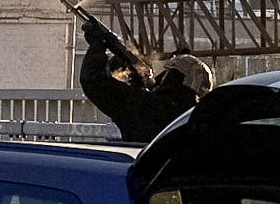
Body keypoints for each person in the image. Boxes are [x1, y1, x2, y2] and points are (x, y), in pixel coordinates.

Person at [79, 21, 214, 143]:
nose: (161, 77)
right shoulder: (197, 117)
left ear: (174, 77)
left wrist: (97, 45)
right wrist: (138, 85)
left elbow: (93, 80)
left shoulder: (147, 106)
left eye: (167, 74)